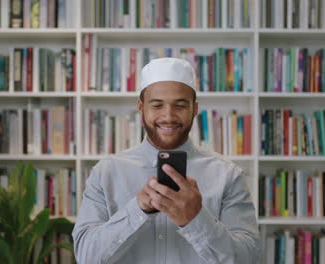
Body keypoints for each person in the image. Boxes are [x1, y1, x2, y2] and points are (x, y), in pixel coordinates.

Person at [72, 57, 261, 263]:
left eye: (180, 106)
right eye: (157, 105)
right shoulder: (106, 172)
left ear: (194, 109)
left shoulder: (228, 175)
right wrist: (138, 209)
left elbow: (249, 258)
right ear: (141, 108)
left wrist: (196, 219)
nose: (168, 116)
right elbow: (85, 256)